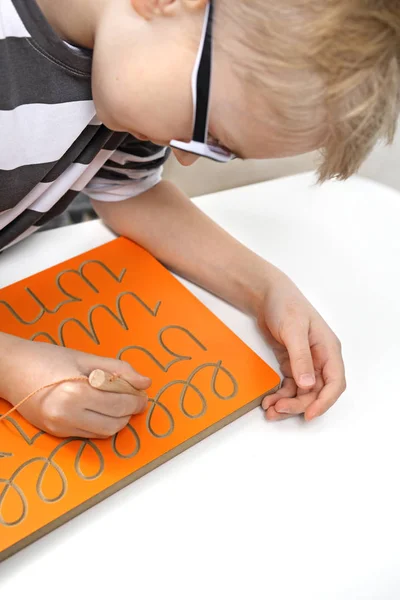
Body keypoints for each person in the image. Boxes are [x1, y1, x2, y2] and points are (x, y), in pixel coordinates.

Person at [0, 0, 398, 438]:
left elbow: (129, 190)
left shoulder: (123, 61)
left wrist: (265, 289)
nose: (186, 158)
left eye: (219, 149)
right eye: (209, 133)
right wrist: (12, 366)